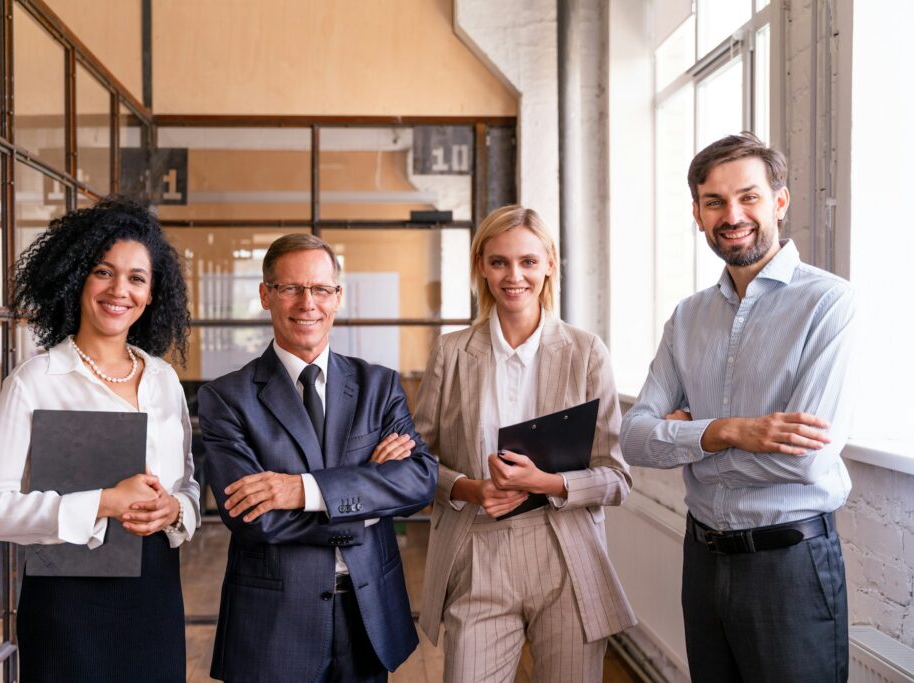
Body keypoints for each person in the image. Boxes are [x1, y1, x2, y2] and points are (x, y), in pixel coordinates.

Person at [620, 132, 856, 682]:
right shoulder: (687, 317)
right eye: (715, 202)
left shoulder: (828, 303)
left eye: (748, 197)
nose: (732, 215)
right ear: (698, 215)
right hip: (702, 560)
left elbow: (805, 462)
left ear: (779, 200)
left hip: (790, 567)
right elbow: (633, 438)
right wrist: (727, 431)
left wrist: (685, 441)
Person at [0, 196, 200, 682]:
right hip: (66, 603)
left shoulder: (163, 380)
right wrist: (104, 503)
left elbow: (189, 486)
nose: (120, 290)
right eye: (103, 272)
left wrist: (177, 510)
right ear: (77, 279)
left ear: (152, 293)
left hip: (155, 596)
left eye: (137, 278)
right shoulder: (36, 380)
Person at [198, 233, 436, 683]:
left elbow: (421, 479)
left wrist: (300, 490)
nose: (308, 303)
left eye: (321, 289)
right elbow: (253, 519)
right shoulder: (226, 398)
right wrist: (368, 489)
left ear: (337, 297)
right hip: (274, 624)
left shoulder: (378, 386)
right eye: (291, 288)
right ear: (266, 295)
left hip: (368, 616)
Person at [414, 205, 636, 683]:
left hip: (567, 554)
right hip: (478, 550)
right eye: (498, 262)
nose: (514, 276)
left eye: (528, 262)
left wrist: (549, 483)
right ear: (481, 267)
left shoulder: (586, 352)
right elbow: (416, 463)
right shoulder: (451, 353)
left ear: (550, 264)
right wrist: (469, 489)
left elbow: (617, 479)